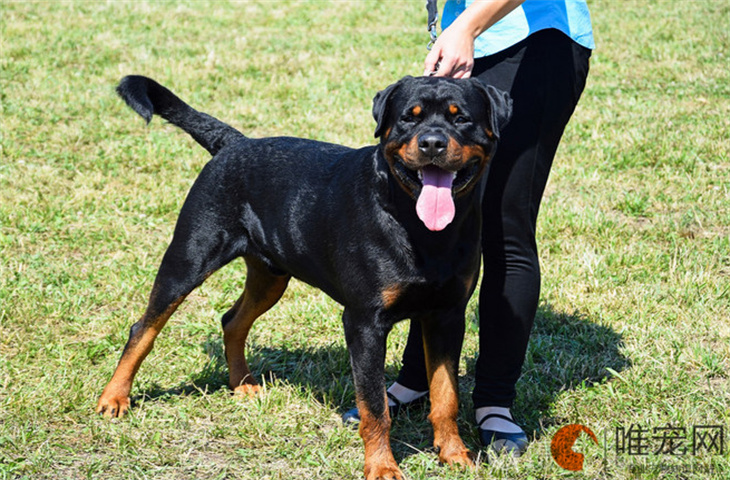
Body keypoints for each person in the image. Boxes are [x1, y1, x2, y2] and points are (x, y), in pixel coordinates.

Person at [343, 0, 593, 456]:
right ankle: (418, 380)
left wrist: (467, 26)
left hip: (530, 41)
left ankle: (495, 401)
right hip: (465, 33)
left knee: (503, 225)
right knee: (438, 221)